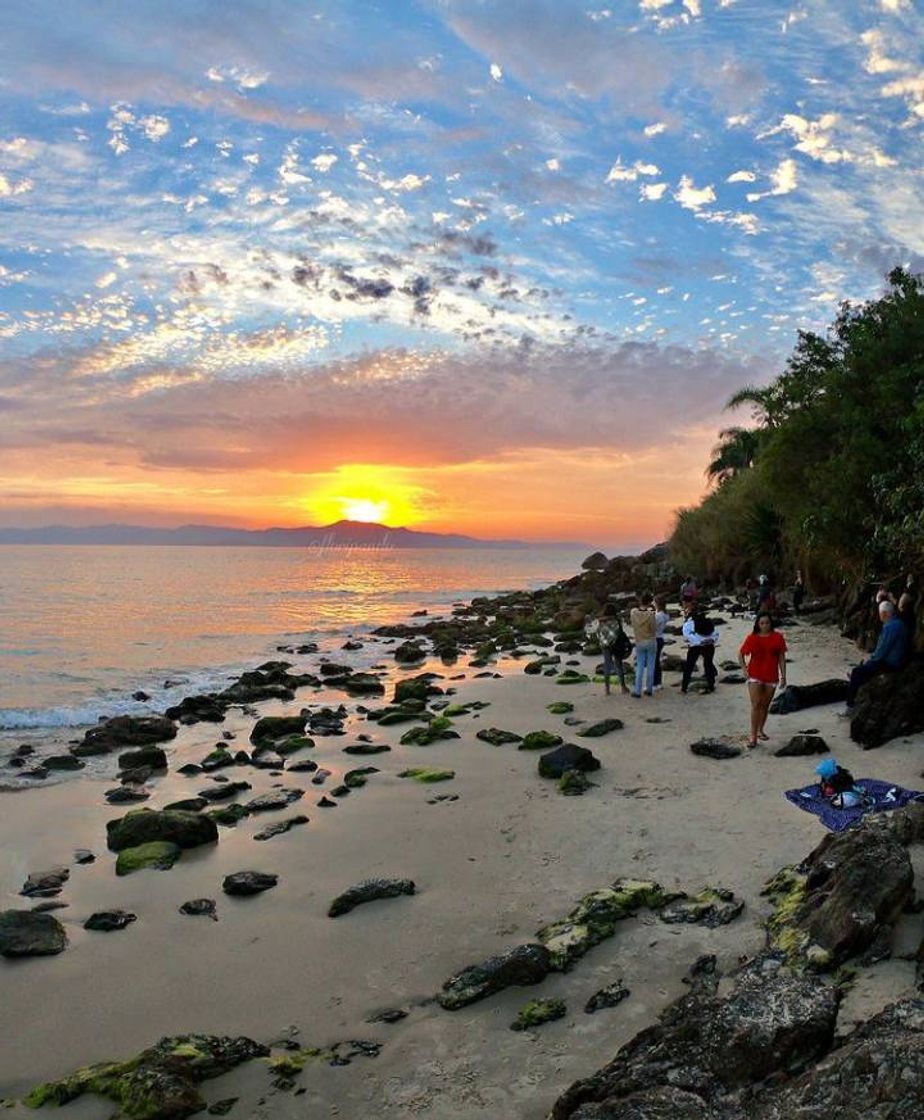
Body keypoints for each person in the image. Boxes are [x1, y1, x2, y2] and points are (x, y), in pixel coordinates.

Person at [841, 599, 908, 713]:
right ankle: (855, 680)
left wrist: (870, 659)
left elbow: (881, 652)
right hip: (896, 661)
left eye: (880, 613)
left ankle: (850, 706)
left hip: (891, 664)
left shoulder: (890, 627)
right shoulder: (899, 623)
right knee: (862, 668)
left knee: (858, 671)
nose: (879, 616)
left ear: (884, 614)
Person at [738, 611, 787, 748]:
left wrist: (783, 676)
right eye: (762, 623)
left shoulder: (778, 637)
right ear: (757, 624)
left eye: (767, 622)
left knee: (765, 705)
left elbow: (781, 658)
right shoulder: (752, 638)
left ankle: (760, 730)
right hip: (755, 675)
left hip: (771, 675)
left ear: (771, 623)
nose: (764, 625)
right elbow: (741, 654)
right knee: (756, 704)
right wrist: (744, 670)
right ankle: (753, 736)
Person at [585, 603, 631, 696]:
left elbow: (591, 630)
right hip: (616, 644)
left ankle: (607, 689)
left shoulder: (599, 622)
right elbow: (620, 632)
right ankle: (623, 687)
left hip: (605, 645)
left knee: (607, 665)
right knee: (618, 664)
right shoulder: (617, 620)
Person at [680, 603, 718, 694]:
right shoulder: (708, 621)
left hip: (695, 646)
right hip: (709, 645)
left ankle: (684, 688)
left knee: (689, 666)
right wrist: (711, 641)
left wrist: (698, 642)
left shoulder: (689, 623)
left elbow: (686, 635)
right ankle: (711, 685)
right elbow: (715, 633)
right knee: (708, 664)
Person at [629, 592, 658, 698]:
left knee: (640, 666)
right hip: (650, 641)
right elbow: (654, 629)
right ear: (650, 602)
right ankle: (649, 689)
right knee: (651, 665)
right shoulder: (651, 615)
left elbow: (632, 624)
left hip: (639, 641)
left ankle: (637, 690)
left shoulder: (633, 612)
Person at [653, 595, 669, 691]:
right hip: (660, 638)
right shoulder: (665, 614)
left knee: (654, 662)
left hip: (655, 638)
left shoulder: (658, 616)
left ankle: (655, 684)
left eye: (654, 602)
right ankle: (658, 683)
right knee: (656, 662)